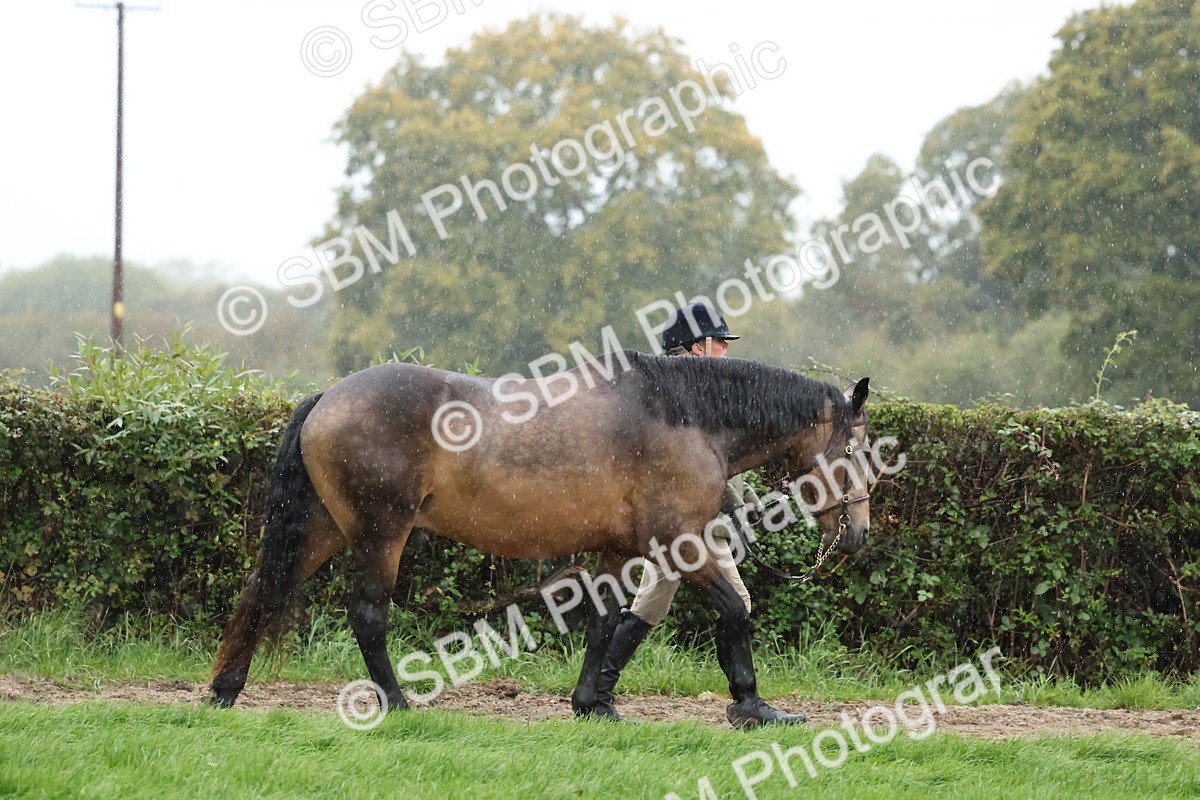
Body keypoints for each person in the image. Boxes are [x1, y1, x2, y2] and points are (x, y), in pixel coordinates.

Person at [589, 303, 807, 726]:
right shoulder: (683, 395)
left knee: (651, 602)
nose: (726, 353)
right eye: (721, 344)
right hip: (688, 526)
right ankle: (748, 704)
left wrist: (746, 504)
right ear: (696, 347)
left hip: (686, 524)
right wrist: (738, 508)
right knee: (735, 602)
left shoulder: (689, 393)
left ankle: (598, 691)